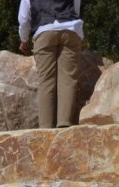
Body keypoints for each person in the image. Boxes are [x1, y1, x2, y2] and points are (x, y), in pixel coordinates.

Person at [17, 0, 84, 128]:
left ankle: (46, 128)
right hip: (70, 28)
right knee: (68, 79)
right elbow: (76, 8)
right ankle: (64, 123)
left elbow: (24, 19)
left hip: (44, 31)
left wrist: (24, 40)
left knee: (46, 81)